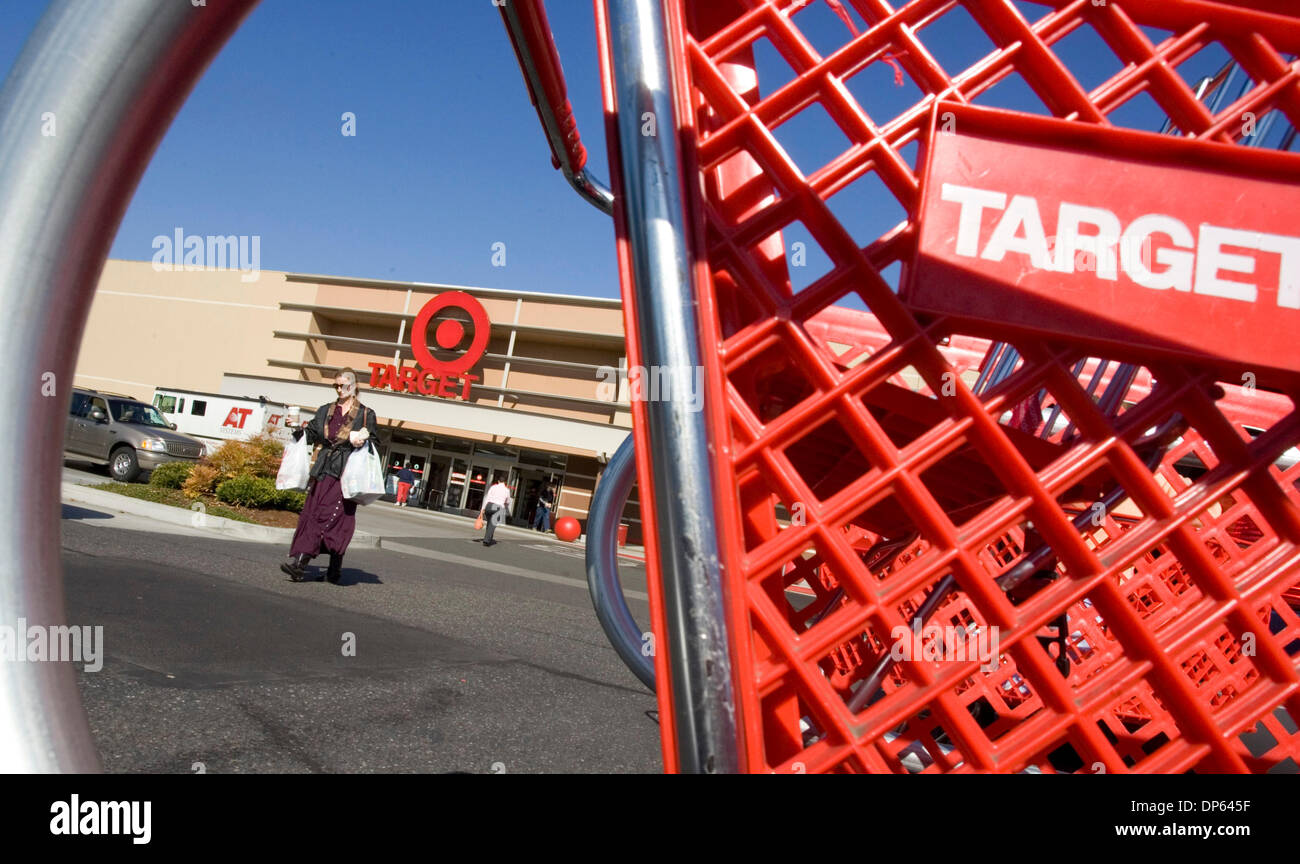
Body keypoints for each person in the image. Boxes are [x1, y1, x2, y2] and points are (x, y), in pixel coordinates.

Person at [280, 368, 378, 583]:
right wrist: (297, 428)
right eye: (336, 385)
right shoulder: (325, 410)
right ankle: (333, 568)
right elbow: (312, 434)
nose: (339, 389)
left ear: (354, 386)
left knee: (332, 517)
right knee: (315, 513)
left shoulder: (365, 414)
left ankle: (301, 564)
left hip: (347, 473)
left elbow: (374, 442)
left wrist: (362, 439)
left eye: (343, 385)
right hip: (323, 470)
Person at [478, 475, 512, 547]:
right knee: (492, 524)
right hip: (498, 507)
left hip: (489, 505)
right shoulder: (507, 490)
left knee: (490, 523)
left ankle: (489, 538)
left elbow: (487, 498)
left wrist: (482, 509)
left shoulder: (493, 487)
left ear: (498, 481)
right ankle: (486, 541)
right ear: (505, 482)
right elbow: (508, 501)